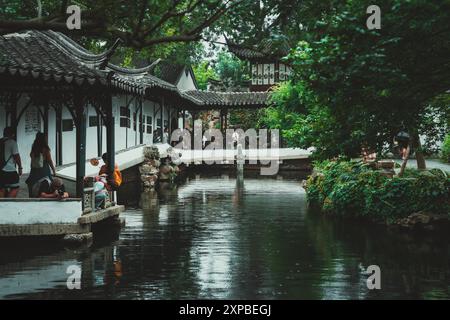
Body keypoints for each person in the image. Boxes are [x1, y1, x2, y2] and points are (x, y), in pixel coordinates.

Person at [25, 132, 56, 197]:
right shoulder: (45, 148)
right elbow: (49, 160)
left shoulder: (34, 147)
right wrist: (53, 170)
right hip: (44, 169)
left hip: (34, 169)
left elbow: (31, 156)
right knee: (45, 182)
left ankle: (32, 196)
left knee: (33, 182)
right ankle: (43, 195)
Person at [0, 127, 22, 198]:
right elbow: (16, 156)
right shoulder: (12, 142)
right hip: (9, 170)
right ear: (12, 134)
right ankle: (8, 203)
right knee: (15, 187)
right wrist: (20, 167)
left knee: (1, 188)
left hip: (0, 171)